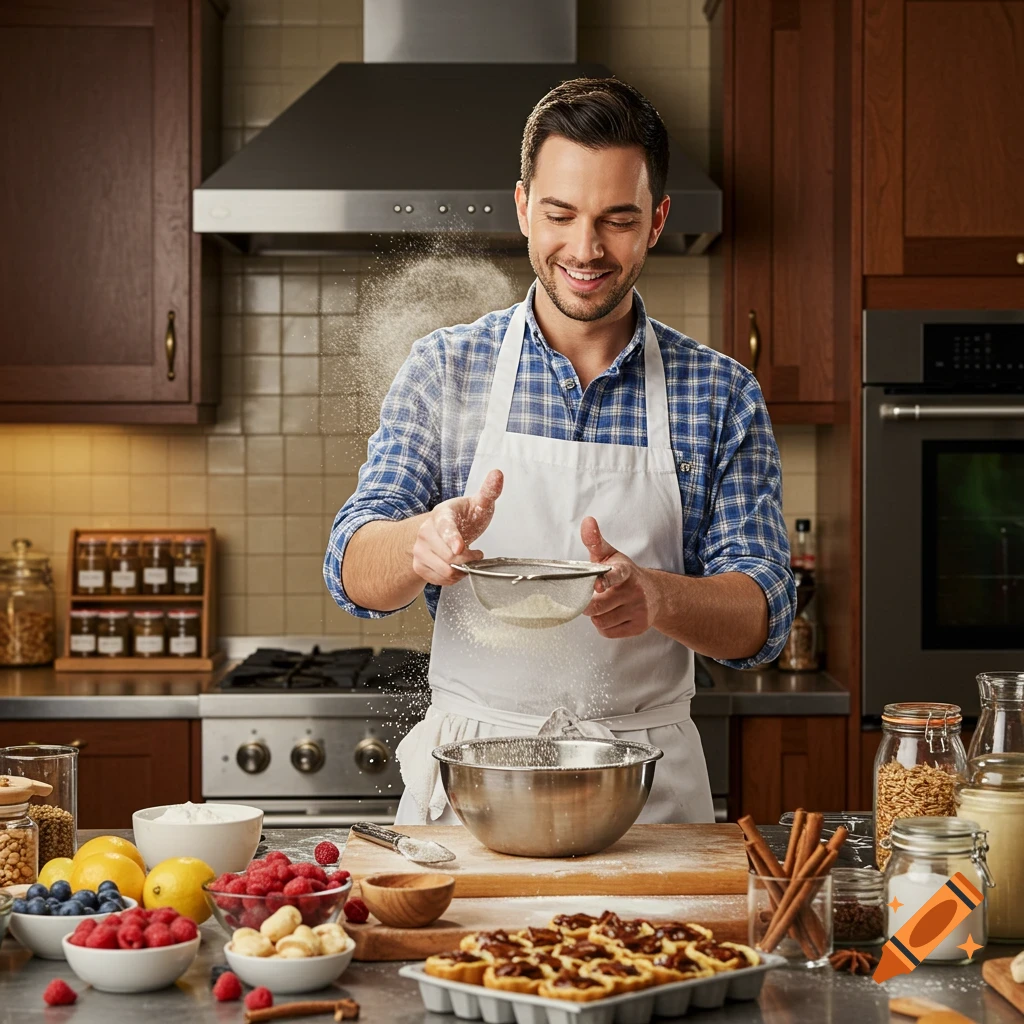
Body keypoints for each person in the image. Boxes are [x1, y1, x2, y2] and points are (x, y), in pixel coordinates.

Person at [324, 77, 795, 825]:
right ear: (522, 207)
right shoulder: (446, 368)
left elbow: (764, 616)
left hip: (647, 794)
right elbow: (350, 565)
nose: (585, 249)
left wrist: (659, 597)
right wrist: (423, 543)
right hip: (474, 784)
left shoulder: (720, 392)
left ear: (656, 221)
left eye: (617, 219)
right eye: (560, 215)